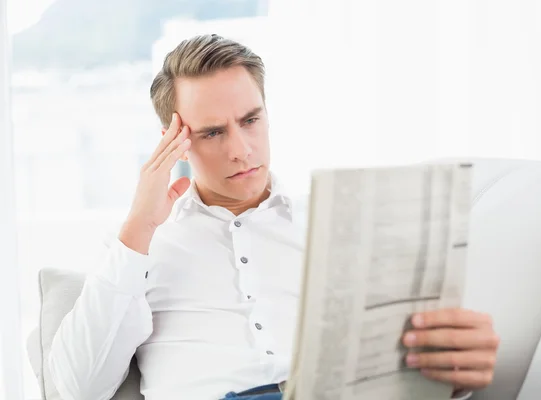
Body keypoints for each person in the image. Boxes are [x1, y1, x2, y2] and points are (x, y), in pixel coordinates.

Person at [48, 34, 500, 400]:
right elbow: (77, 389)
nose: (241, 149)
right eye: (212, 132)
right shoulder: (139, 245)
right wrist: (140, 226)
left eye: (251, 120)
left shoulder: (337, 225)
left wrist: (455, 370)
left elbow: (403, 365)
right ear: (173, 140)